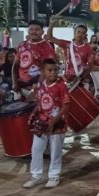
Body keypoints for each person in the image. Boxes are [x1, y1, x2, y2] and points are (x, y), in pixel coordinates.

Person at [23, 59, 70, 189]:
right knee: (36, 149)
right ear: (43, 71)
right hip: (42, 121)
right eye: (50, 70)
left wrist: (53, 122)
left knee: (55, 150)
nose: (53, 72)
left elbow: (66, 106)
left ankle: (54, 176)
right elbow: (40, 102)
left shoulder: (61, 86)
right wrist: (33, 114)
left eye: (55, 70)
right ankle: (36, 175)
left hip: (58, 123)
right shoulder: (41, 85)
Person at [12, 20, 56, 95]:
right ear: (28, 31)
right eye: (31, 29)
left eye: (37, 29)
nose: (34, 32)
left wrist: (37, 88)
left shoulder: (47, 47)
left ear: (42, 32)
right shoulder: (22, 45)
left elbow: (47, 71)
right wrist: (14, 83)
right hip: (21, 88)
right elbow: (15, 66)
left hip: (39, 89)